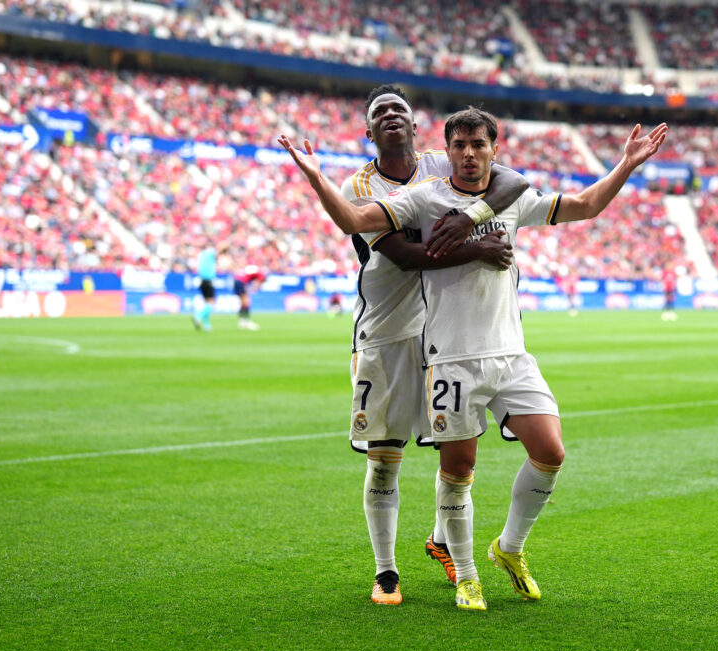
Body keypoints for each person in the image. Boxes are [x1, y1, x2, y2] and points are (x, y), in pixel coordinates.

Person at [281, 107, 668, 611]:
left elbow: (585, 204)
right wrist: (316, 179)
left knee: (551, 452)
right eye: (458, 145)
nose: (468, 154)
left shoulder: (511, 197)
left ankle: (508, 548)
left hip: (511, 353)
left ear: (493, 149)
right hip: (452, 357)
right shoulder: (424, 197)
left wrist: (626, 165)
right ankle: (466, 576)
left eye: (478, 145)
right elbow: (355, 219)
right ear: (445, 152)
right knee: (458, 471)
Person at [281, 84, 529, 607]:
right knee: (384, 456)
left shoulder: (445, 161)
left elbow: (508, 180)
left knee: (456, 452)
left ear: (417, 128)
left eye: (400, 110)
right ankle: (386, 571)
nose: (391, 116)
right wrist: (476, 248)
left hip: (443, 332)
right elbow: (405, 256)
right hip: (387, 330)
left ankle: (443, 541)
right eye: (379, 113)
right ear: (368, 132)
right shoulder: (360, 184)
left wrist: (470, 219)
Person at [192, 243, 224, 332]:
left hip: (202, 281)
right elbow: (220, 248)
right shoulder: (209, 253)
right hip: (208, 281)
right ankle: (198, 316)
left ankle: (207, 325)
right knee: (211, 304)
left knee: (206, 303)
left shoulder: (201, 255)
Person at [233, 264, 266, 330]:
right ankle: (248, 322)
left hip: (236, 280)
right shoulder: (261, 274)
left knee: (243, 303)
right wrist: (254, 290)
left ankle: (242, 321)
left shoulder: (254, 269)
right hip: (241, 282)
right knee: (247, 302)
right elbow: (257, 284)